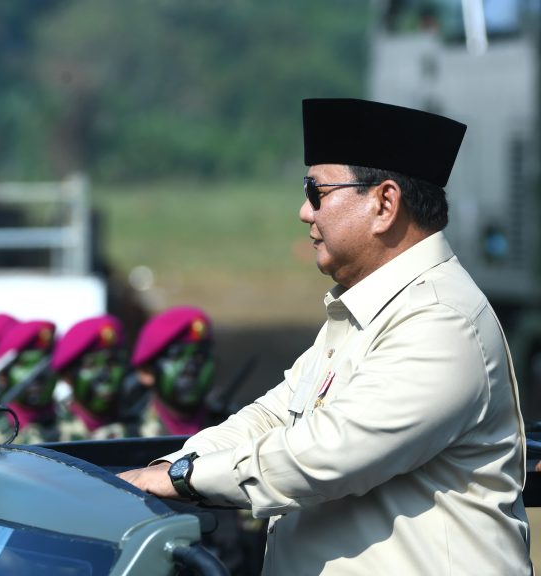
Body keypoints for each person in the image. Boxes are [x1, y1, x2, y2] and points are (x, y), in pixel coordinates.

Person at [119, 98, 531, 574]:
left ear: (384, 204)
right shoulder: (374, 308)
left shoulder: (440, 319)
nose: (304, 212)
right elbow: (271, 416)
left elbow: (328, 454)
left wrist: (183, 478)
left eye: (316, 191)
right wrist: (165, 468)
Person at [131, 305, 216, 437]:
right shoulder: (125, 436)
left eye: (200, 357)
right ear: (146, 372)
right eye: (176, 356)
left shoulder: (236, 431)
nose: (191, 369)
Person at [52, 315, 129, 441]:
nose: (105, 376)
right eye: (91, 365)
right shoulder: (48, 438)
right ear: (67, 376)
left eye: (113, 363)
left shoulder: (143, 432)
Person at [0, 320, 58, 445]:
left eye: (43, 364)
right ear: (3, 376)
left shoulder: (74, 423)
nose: (36, 377)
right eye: (24, 364)